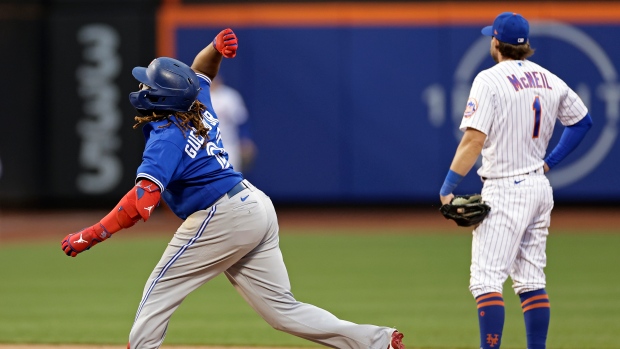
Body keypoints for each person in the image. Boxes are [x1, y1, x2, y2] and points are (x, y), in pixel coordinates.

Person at [61, 28, 405, 349]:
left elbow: (142, 202)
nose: (144, 90)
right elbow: (202, 71)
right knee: (282, 311)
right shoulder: (197, 104)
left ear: (160, 100)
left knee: (159, 290)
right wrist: (214, 50)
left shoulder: (166, 135)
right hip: (255, 206)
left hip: (222, 215)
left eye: (150, 86)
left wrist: (94, 233)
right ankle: (376, 341)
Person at [439, 12, 592, 349]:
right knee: (530, 281)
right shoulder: (549, 78)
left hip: (505, 187)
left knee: (486, 281)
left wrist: (447, 188)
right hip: (538, 187)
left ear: (496, 42)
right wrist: (549, 163)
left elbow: (473, 141)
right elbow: (582, 121)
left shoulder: (489, 80)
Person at [210, 76, 257, 172]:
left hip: (228, 145)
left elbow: (242, 121)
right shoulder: (196, 96)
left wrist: (245, 139)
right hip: (202, 146)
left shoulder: (229, 96)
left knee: (230, 178)